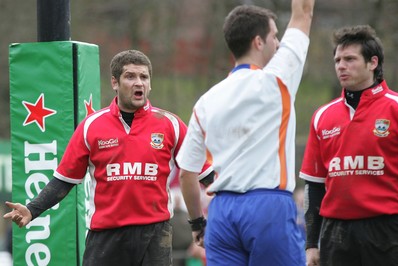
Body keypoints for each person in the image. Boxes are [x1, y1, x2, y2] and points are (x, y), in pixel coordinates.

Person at [3, 50, 213, 266]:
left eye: (144, 77)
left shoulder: (171, 124)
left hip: (155, 235)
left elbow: (205, 174)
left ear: (150, 84)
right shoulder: (91, 127)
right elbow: (64, 180)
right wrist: (32, 209)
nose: (138, 83)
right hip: (105, 238)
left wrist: (231, 199)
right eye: (130, 76)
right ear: (115, 82)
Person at [176, 0, 315, 265]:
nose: (278, 43)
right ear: (258, 42)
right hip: (268, 207)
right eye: (274, 36)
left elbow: (186, 173)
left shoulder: (206, 100)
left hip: (221, 213)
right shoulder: (277, 80)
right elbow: (303, 12)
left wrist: (197, 223)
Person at [300, 25, 398, 266]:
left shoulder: (396, 107)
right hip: (336, 232)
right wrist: (311, 243)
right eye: (337, 60)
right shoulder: (322, 116)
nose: (341, 66)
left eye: (349, 59)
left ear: (372, 62)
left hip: (388, 229)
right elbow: (313, 186)